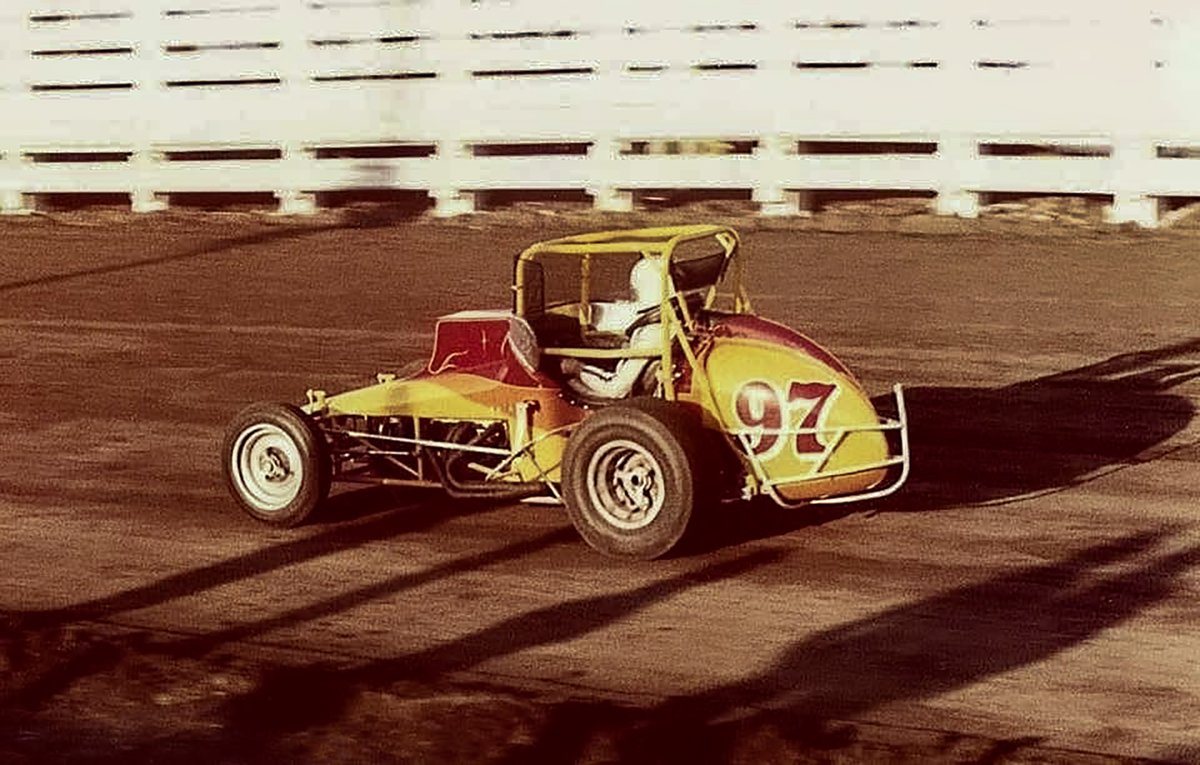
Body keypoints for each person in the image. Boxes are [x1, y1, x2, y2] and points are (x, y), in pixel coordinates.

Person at [565, 257, 666, 400]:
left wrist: (577, 368)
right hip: (646, 389)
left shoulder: (652, 334)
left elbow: (614, 389)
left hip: (626, 403)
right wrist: (622, 345)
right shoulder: (678, 320)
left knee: (566, 379)